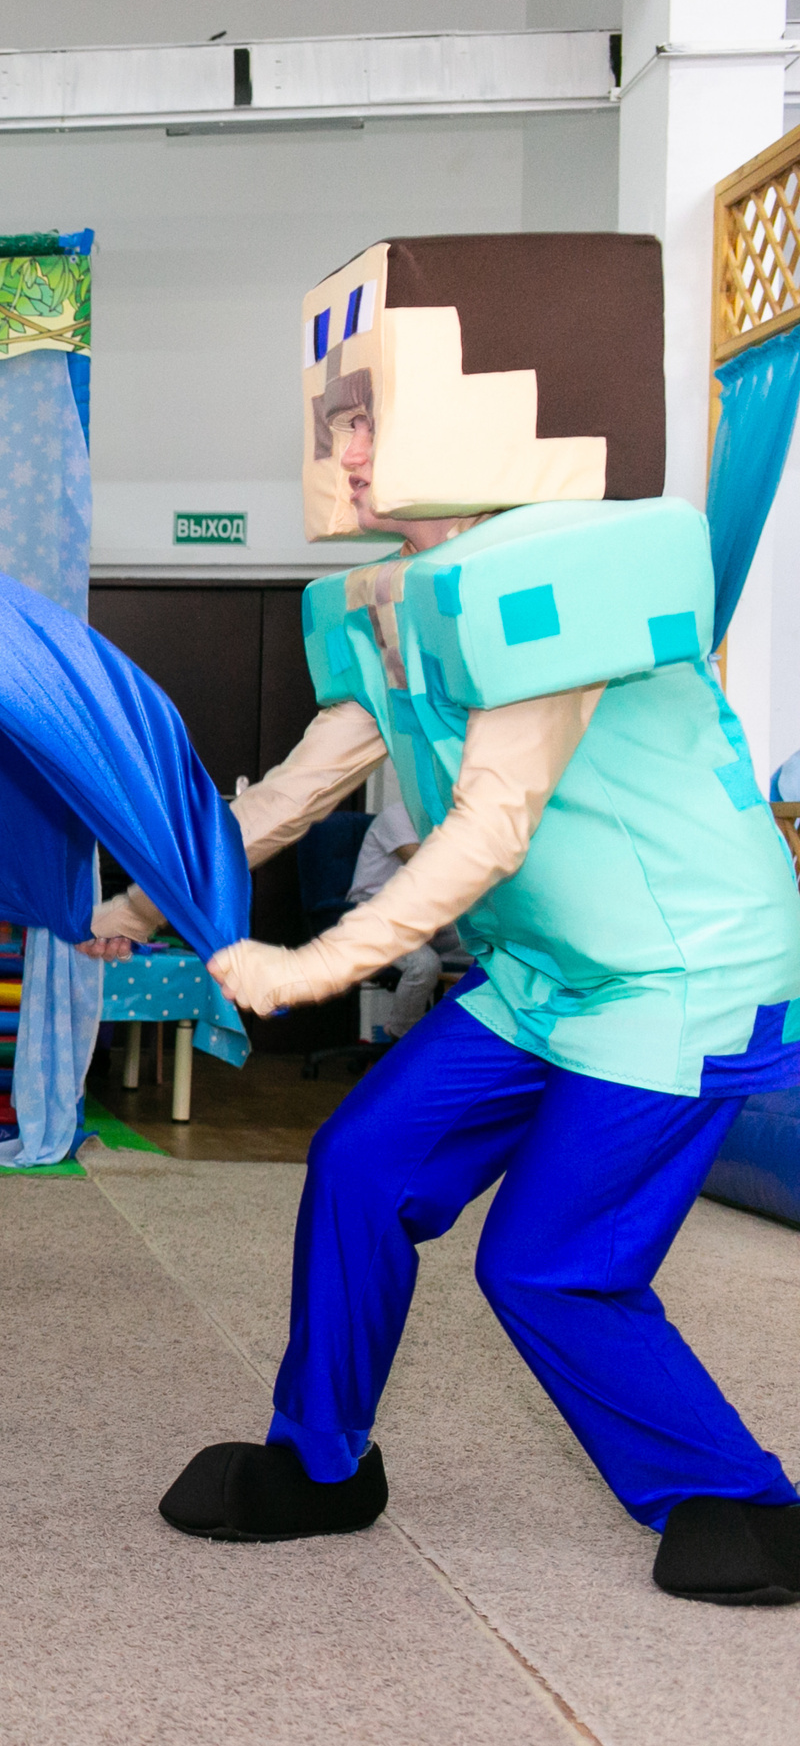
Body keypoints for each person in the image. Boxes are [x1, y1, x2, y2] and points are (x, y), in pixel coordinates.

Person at [88, 234, 800, 1603]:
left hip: (674, 974)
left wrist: (310, 965)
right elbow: (289, 795)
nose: (351, 449)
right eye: (338, 420)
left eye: (378, 416)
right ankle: (320, 1461)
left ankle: (743, 1497)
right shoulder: (393, 606)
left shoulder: (555, 581)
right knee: (360, 1165)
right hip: (546, 974)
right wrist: (131, 909)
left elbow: (490, 826)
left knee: (547, 1265)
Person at [345, 800, 445, 1032]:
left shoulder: (441, 821)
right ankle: (401, 1037)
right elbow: (425, 866)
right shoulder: (397, 815)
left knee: (487, 951)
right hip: (373, 915)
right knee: (424, 964)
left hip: (417, 919)